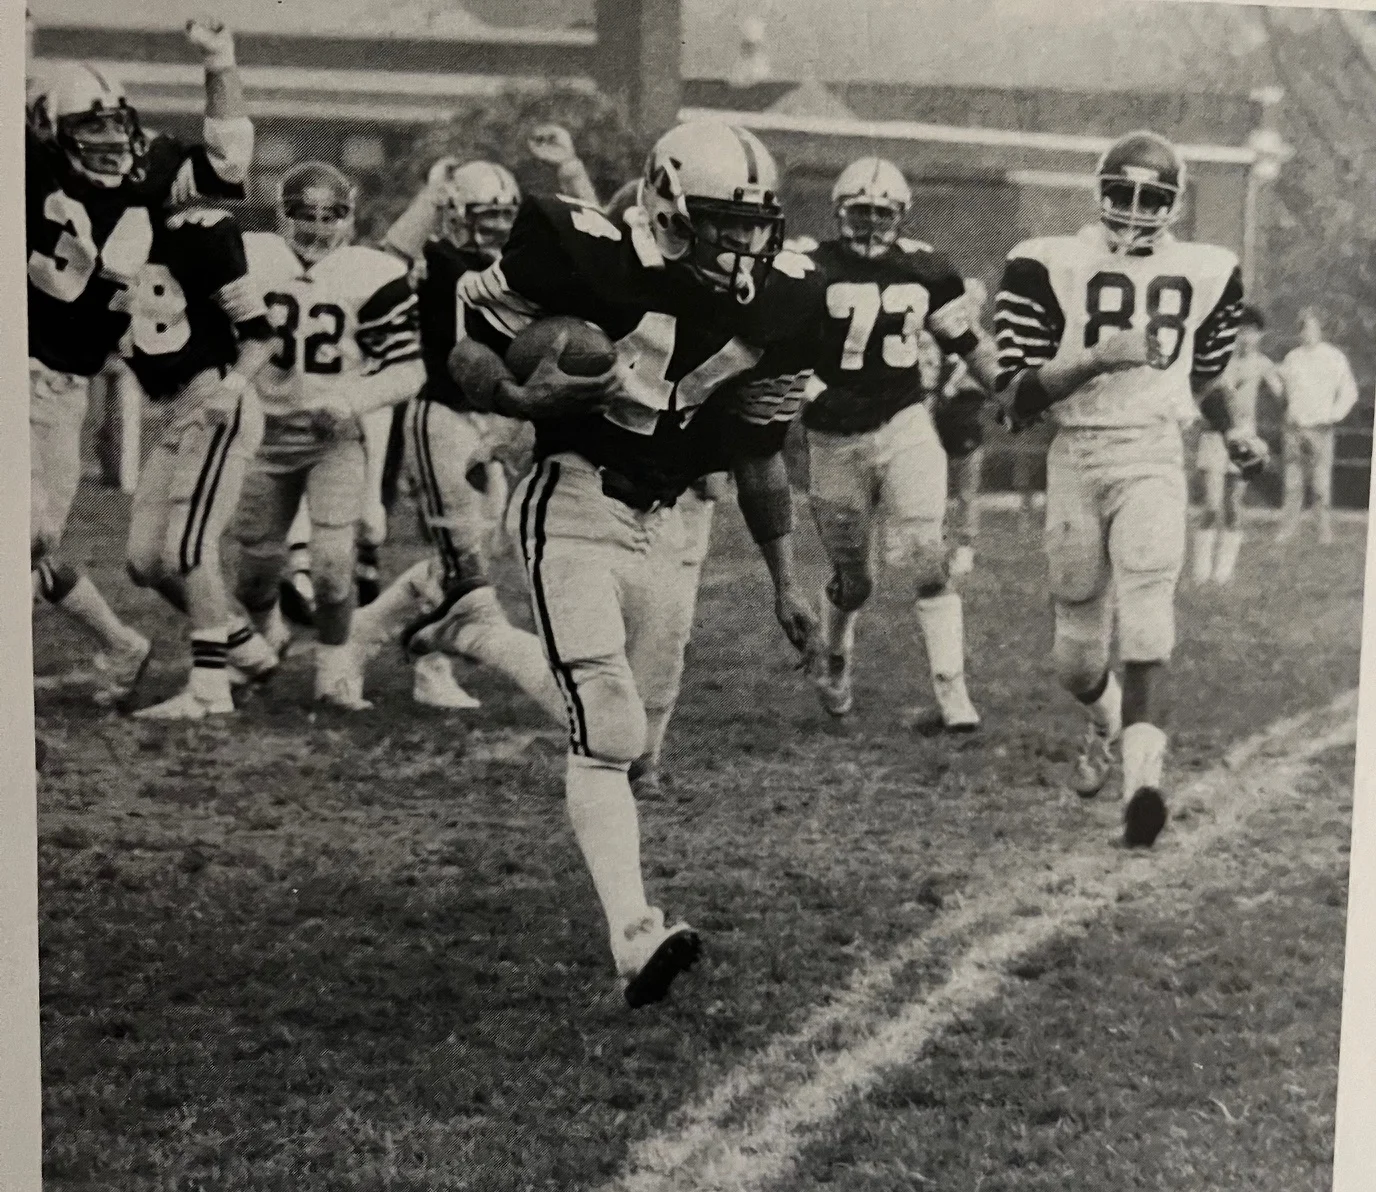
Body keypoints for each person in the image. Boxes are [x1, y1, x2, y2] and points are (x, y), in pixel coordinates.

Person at [447, 118, 823, 1006]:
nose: (744, 243)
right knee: (608, 725)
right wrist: (515, 393)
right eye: (723, 222)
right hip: (573, 497)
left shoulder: (784, 300)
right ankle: (634, 934)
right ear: (666, 202)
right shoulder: (582, 251)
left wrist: (782, 578)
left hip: (670, 519)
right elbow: (468, 347)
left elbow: (761, 453)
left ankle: (476, 636)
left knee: (639, 740)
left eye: (754, 224)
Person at [994, 129, 1267, 849]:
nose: (1136, 208)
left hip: (1153, 451)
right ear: (1099, 191)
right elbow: (1015, 394)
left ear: (1175, 205)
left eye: (1153, 197)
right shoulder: (1046, 262)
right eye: (1122, 192)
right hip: (1076, 453)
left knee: (1148, 615)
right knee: (1076, 657)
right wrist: (1090, 362)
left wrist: (1235, 429)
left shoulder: (1208, 269)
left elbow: (1207, 374)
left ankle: (1143, 786)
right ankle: (1106, 718)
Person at [26, 20, 253, 707]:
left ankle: (123, 645)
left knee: (32, 539)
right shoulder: (22, 162)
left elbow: (231, 160)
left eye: (115, 129)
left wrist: (220, 64)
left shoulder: (149, 166)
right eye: (87, 132)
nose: (109, 145)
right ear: (46, 132)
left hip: (59, 385)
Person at [342, 155, 569, 719]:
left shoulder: (516, 266)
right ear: (454, 216)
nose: (494, 227)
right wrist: (430, 194)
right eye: (483, 216)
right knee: (460, 554)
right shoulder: (435, 259)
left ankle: (360, 635)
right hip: (439, 411)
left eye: (502, 216)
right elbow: (389, 257)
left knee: (474, 552)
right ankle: (428, 664)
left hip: (487, 420)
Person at [801, 157, 999, 727]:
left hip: (903, 422)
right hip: (833, 435)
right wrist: (809, 393)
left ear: (900, 216)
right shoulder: (810, 267)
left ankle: (953, 694)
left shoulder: (928, 269)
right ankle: (837, 659)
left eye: (881, 213)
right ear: (841, 213)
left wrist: (1010, 390)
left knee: (927, 557)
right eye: (859, 212)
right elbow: (776, 350)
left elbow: (968, 342)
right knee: (854, 579)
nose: (869, 224)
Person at [235, 161, 425, 709]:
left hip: (333, 437)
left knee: (333, 565)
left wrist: (350, 401)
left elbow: (407, 369)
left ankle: (335, 669)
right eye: (304, 215)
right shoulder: (251, 258)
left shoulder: (371, 272)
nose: (318, 229)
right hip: (259, 433)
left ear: (349, 217)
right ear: (281, 215)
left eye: (331, 215)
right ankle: (266, 633)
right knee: (254, 574)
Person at [121, 206, 279, 718]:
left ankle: (210, 689)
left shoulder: (199, 232)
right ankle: (250, 651)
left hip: (213, 403)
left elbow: (261, 334)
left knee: (188, 547)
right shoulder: (110, 228)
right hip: (172, 413)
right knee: (146, 562)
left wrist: (231, 388)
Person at [1191, 304, 1282, 584]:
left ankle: (1223, 573)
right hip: (1215, 436)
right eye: (1240, 332)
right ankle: (1200, 569)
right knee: (1212, 504)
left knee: (1232, 505)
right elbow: (1199, 397)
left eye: (1251, 333)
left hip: (1245, 437)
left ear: (1260, 335)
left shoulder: (1264, 364)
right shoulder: (1219, 361)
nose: (1245, 338)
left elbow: (1284, 394)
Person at [1277, 306, 1358, 545]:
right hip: (1294, 429)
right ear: (1299, 332)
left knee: (1321, 485)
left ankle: (1323, 531)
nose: (1308, 332)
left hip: (1321, 429)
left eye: (1313, 328)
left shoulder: (1334, 357)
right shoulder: (1292, 357)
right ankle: (1287, 530)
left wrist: (1333, 415)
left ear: (1321, 330)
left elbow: (1349, 392)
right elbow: (1283, 391)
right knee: (1293, 483)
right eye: (1304, 328)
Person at [942, 278, 991, 577]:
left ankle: (965, 547)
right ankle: (936, 545)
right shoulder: (942, 338)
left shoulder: (984, 342)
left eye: (971, 302)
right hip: (938, 419)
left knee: (966, 492)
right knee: (933, 490)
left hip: (966, 422)